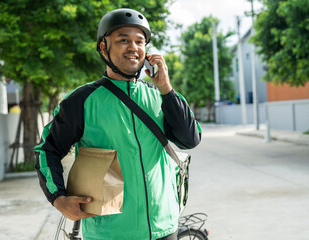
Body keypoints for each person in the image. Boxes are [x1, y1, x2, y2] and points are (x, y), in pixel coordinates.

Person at [34, 8, 201, 240]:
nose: (133, 47)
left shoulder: (161, 96)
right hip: (109, 233)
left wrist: (166, 89)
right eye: (123, 40)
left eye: (140, 41)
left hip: (165, 227)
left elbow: (190, 139)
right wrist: (58, 198)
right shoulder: (81, 101)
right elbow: (46, 150)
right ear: (104, 47)